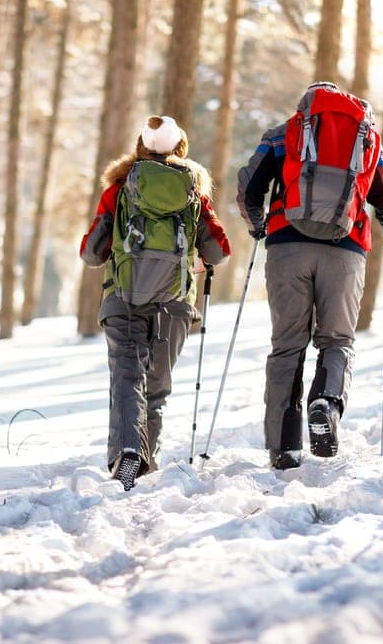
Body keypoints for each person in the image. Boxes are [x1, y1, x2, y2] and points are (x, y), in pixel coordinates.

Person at [236, 82, 383, 470]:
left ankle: (284, 448)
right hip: (346, 251)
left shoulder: (282, 135)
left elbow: (249, 186)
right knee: (337, 340)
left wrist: (258, 225)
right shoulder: (366, 139)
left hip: (286, 247)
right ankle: (325, 403)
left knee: (287, 346)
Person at [80, 115, 231, 490]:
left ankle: (128, 453)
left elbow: (92, 254)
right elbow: (220, 249)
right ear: (182, 147)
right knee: (157, 385)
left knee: (127, 378)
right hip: (174, 303)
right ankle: (145, 460)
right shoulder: (194, 192)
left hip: (124, 297)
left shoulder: (118, 189)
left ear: (140, 147)